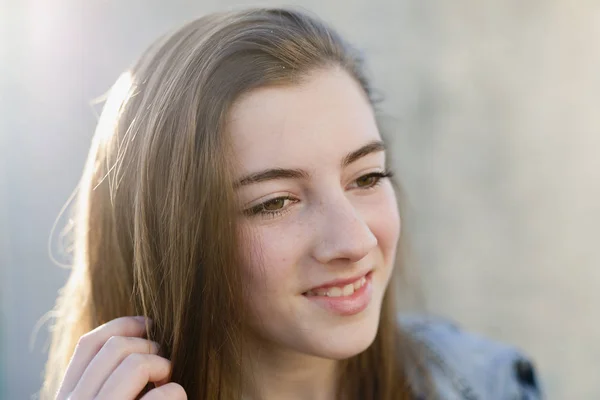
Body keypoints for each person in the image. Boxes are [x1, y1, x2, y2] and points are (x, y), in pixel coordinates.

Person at [41, 7, 542, 400]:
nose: (355, 241)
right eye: (276, 202)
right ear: (168, 236)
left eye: (366, 176)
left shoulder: (490, 384)